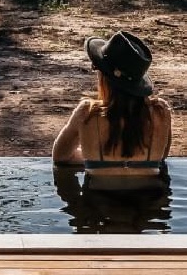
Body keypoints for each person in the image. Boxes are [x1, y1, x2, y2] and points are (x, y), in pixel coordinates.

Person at [53, 31, 172, 188]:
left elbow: (61, 157)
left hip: (98, 203)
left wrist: (94, 157)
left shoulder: (86, 113)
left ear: (105, 77)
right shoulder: (161, 112)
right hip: (148, 204)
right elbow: (161, 157)